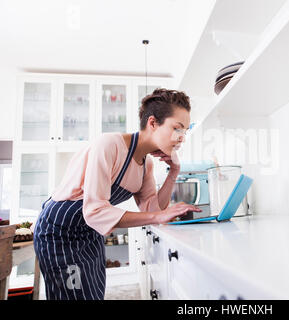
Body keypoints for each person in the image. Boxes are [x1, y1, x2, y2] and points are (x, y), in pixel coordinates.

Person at [33, 88, 202, 300]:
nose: (181, 138)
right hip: (59, 231)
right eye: (177, 128)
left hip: (89, 232)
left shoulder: (145, 164)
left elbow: (152, 210)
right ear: (152, 123)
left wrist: (173, 172)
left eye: (184, 131)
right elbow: (95, 211)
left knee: (92, 294)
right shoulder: (110, 144)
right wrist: (158, 216)